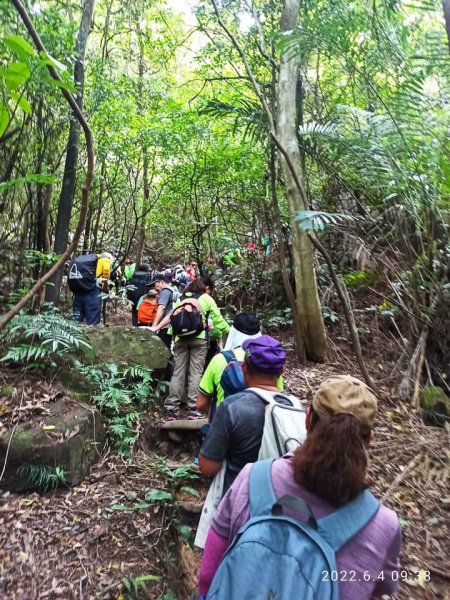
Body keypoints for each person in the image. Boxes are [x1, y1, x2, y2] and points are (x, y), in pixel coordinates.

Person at [198, 375, 402, 599]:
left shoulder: (252, 478)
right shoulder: (383, 525)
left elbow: (209, 575)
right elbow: (377, 590)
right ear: (369, 437)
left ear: (307, 419)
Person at [198, 335, 292, 494]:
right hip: (281, 500)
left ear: (244, 368)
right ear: (281, 371)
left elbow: (207, 467)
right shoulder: (294, 407)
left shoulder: (231, 407)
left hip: (238, 499)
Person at [154, 278, 230, 420]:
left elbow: (172, 318)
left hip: (180, 339)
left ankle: (172, 410)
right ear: (203, 288)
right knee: (196, 373)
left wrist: (171, 338)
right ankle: (193, 409)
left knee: (178, 373)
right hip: (199, 339)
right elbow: (218, 320)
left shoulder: (181, 299)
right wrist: (230, 331)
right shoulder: (206, 298)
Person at [196, 311, 263, 419]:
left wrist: (216, 415)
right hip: (258, 427)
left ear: (233, 332)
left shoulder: (220, 359)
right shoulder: (267, 360)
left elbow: (201, 404)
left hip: (224, 424)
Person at [71, 252, 112, 326]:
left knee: (75, 320)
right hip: (92, 294)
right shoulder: (105, 259)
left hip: (78, 292)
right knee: (92, 323)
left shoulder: (83, 261)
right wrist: (105, 285)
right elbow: (106, 271)